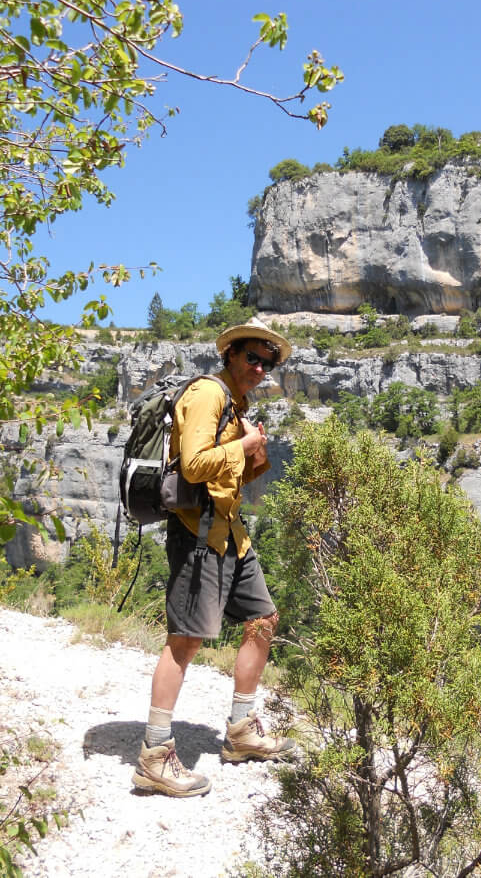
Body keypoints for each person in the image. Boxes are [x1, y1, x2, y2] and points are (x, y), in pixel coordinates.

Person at [132, 317, 296, 797]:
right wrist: (242, 446)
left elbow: (228, 478)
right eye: (252, 358)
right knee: (185, 641)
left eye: (267, 364)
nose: (260, 369)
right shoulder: (207, 394)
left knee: (263, 619)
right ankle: (154, 756)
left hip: (231, 534)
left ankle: (241, 730)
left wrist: (255, 456)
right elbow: (194, 464)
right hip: (198, 535)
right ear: (230, 355)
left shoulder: (237, 404)